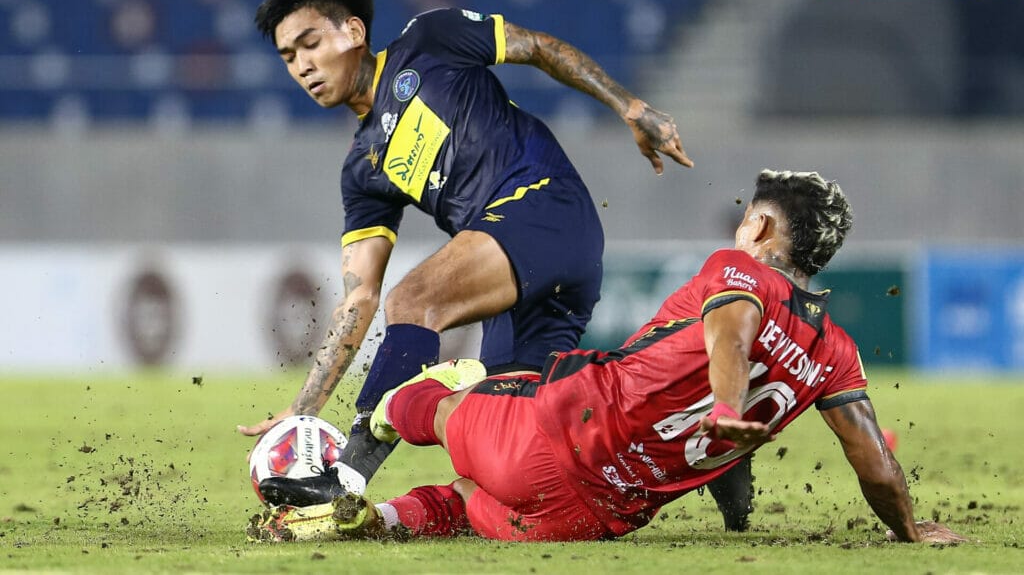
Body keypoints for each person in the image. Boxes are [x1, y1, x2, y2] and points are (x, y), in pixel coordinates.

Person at [248, 169, 965, 545]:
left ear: (762, 226)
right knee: (465, 504)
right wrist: (908, 529)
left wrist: (723, 404)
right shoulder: (837, 353)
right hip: (590, 515)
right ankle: (383, 520)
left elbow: (733, 331)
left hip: (550, 434)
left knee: (438, 398)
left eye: (749, 215)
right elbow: (875, 463)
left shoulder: (737, 270)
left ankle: (356, 454)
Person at [238, 0, 693, 503]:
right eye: (288, 57)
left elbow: (538, 48)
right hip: (518, 275)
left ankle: (346, 478)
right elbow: (359, 296)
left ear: (354, 32)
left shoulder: (429, 40)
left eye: (310, 44)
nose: (302, 66)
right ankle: (688, 428)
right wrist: (303, 408)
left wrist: (629, 106)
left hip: (545, 207)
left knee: (414, 300)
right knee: (510, 441)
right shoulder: (362, 170)